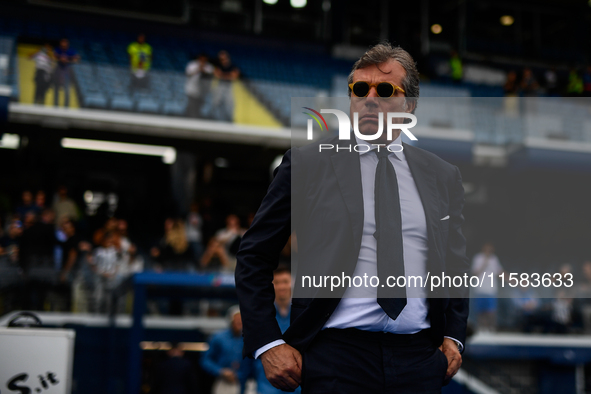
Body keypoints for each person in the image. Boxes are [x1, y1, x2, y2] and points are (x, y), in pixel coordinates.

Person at [235, 42, 469, 393]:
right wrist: (268, 342)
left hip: (420, 360)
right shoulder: (307, 164)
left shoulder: (442, 176)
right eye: (360, 89)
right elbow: (254, 254)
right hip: (335, 358)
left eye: (385, 90)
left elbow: (455, 263)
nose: (369, 98)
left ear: (410, 105)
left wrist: (453, 334)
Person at [239, 265, 301, 394]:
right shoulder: (259, 317)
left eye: (285, 282)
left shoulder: (304, 314)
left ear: (292, 283)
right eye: (276, 282)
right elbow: (247, 356)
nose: (281, 287)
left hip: (300, 387)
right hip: (266, 387)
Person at [201, 306, 244, 394]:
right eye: (237, 319)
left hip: (247, 382)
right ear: (231, 320)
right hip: (224, 382)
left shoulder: (251, 338)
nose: (239, 321)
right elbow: (205, 360)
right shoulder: (219, 337)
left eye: (242, 319)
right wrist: (221, 371)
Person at [471, 242, 503, 332]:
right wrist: (484, 262)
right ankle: (481, 329)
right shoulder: (478, 258)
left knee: (491, 311)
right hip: (480, 289)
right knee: (480, 311)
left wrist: (514, 280)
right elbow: (475, 273)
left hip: (491, 290)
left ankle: (491, 328)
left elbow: (499, 272)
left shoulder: (494, 259)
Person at [213, 51, 240, 122]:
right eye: (221, 59)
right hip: (220, 86)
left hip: (229, 87)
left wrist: (222, 75)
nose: (223, 61)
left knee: (229, 103)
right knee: (216, 102)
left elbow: (234, 76)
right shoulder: (218, 66)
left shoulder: (233, 66)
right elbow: (217, 74)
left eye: (224, 58)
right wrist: (228, 75)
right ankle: (214, 118)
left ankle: (229, 119)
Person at [185, 53, 214, 118]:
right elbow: (188, 74)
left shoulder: (209, 67)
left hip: (202, 91)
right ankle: (189, 117)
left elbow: (210, 76)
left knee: (199, 106)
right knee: (191, 105)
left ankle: (196, 117)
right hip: (192, 89)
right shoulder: (192, 65)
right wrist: (198, 69)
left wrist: (203, 70)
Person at [52, 38, 79, 107]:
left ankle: (66, 107)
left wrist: (67, 60)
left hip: (67, 71)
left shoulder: (71, 50)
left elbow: (76, 59)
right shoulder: (58, 49)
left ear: (67, 44)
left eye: (65, 44)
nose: (63, 45)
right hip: (58, 70)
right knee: (56, 89)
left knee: (67, 90)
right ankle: (55, 105)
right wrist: (60, 59)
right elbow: (53, 57)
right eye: (62, 44)